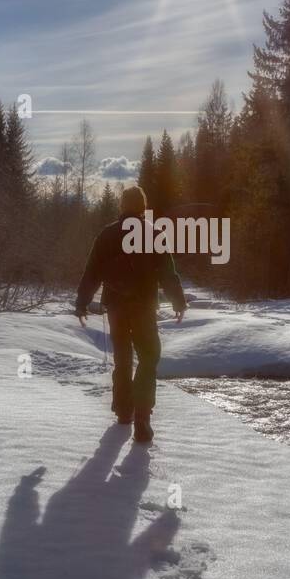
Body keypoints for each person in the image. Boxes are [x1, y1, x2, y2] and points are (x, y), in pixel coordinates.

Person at [74, 185, 186, 442]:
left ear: (123, 206)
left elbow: (92, 272)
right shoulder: (154, 234)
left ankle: (124, 412)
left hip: (116, 307)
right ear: (143, 207)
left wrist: (82, 303)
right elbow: (168, 274)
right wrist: (178, 302)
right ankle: (142, 419)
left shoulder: (107, 235)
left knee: (122, 358)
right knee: (149, 356)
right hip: (145, 307)